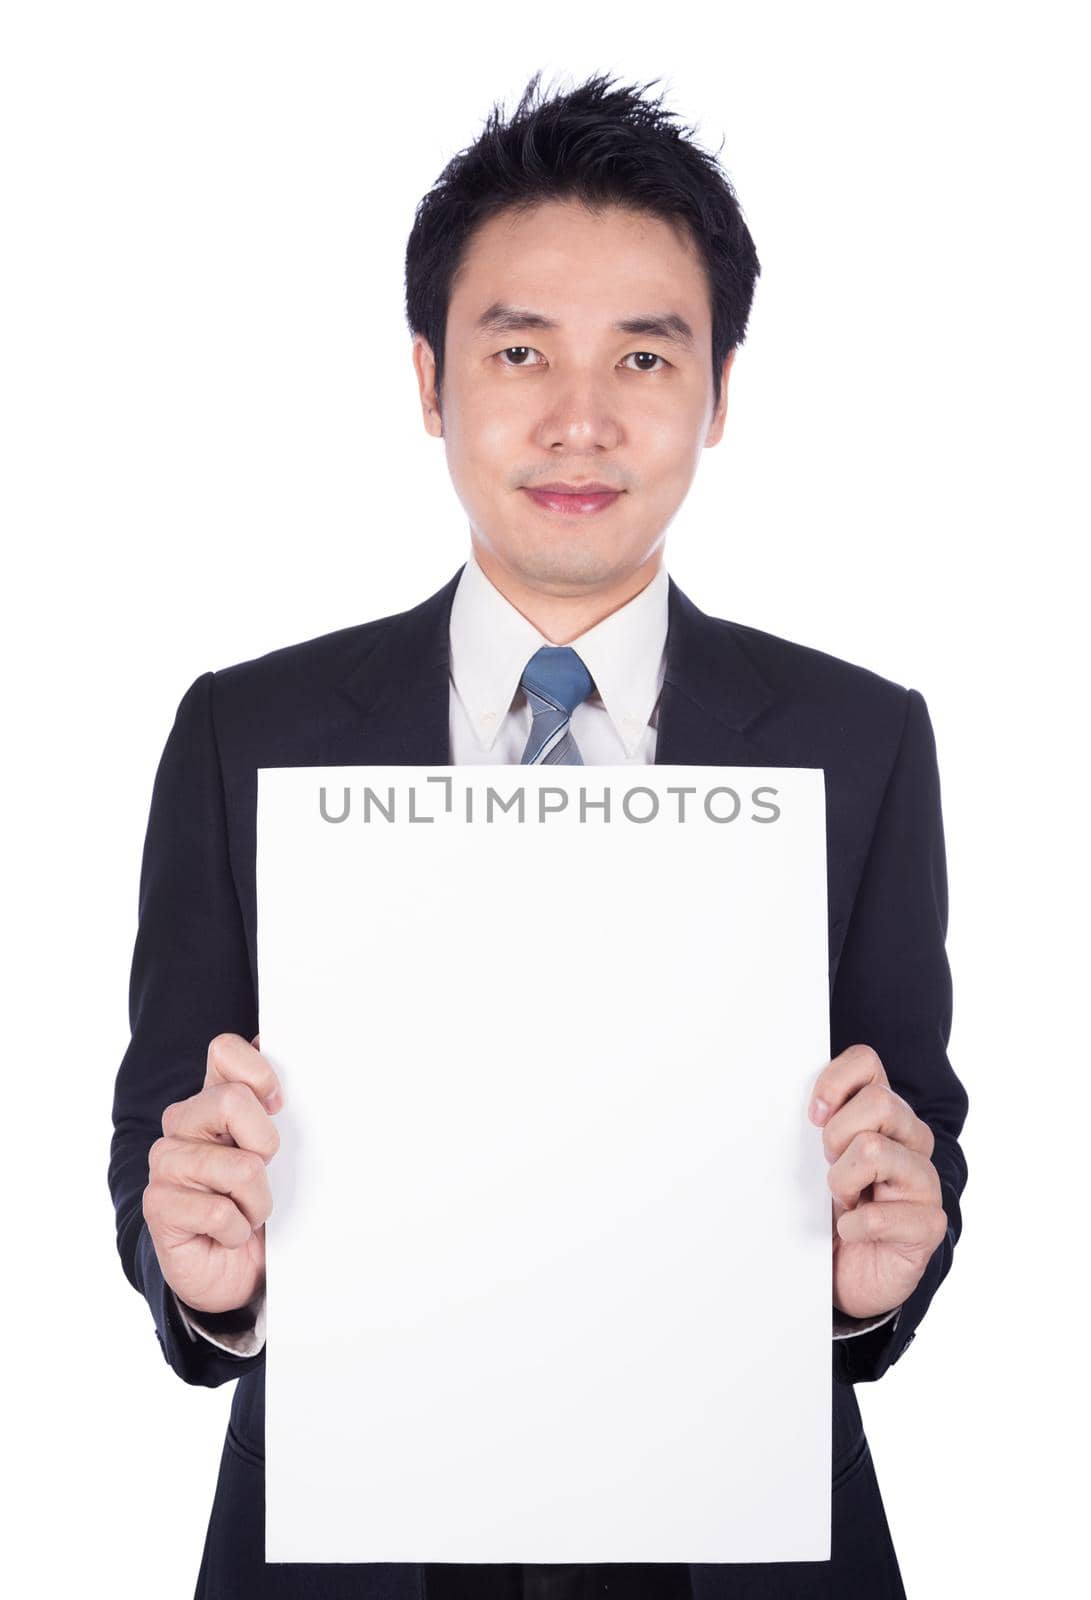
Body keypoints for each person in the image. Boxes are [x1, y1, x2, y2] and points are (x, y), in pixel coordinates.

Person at [109, 70, 968, 1600]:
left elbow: (916, 1130)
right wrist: (206, 1280)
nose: (581, 419)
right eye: (521, 351)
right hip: (359, 1540)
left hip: (741, 1541)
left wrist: (871, 1281)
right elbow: (159, 1138)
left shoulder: (861, 741)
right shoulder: (249, 734)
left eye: (646, 354)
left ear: (717, 395)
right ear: (431, 381)